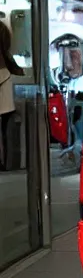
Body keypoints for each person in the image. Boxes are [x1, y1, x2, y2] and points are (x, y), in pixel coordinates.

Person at [0, 22, 24, 170]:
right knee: (6, 134)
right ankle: (5, 162)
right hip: (7, 105)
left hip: (6, 104)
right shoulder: (8, 61)